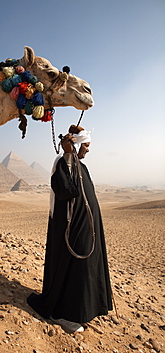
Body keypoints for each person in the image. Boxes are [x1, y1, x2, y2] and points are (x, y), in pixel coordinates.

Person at [27, 124, 113, 332]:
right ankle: (63, 314)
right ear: (76, 145)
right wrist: (66, 156)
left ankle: (85, 310)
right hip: (70, 229)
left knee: (86, 268)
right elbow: (66, 191)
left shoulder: (81, 166)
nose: (88, 149)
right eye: (86, 145)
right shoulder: (62, 163)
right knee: (73, 268)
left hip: (86, 228)